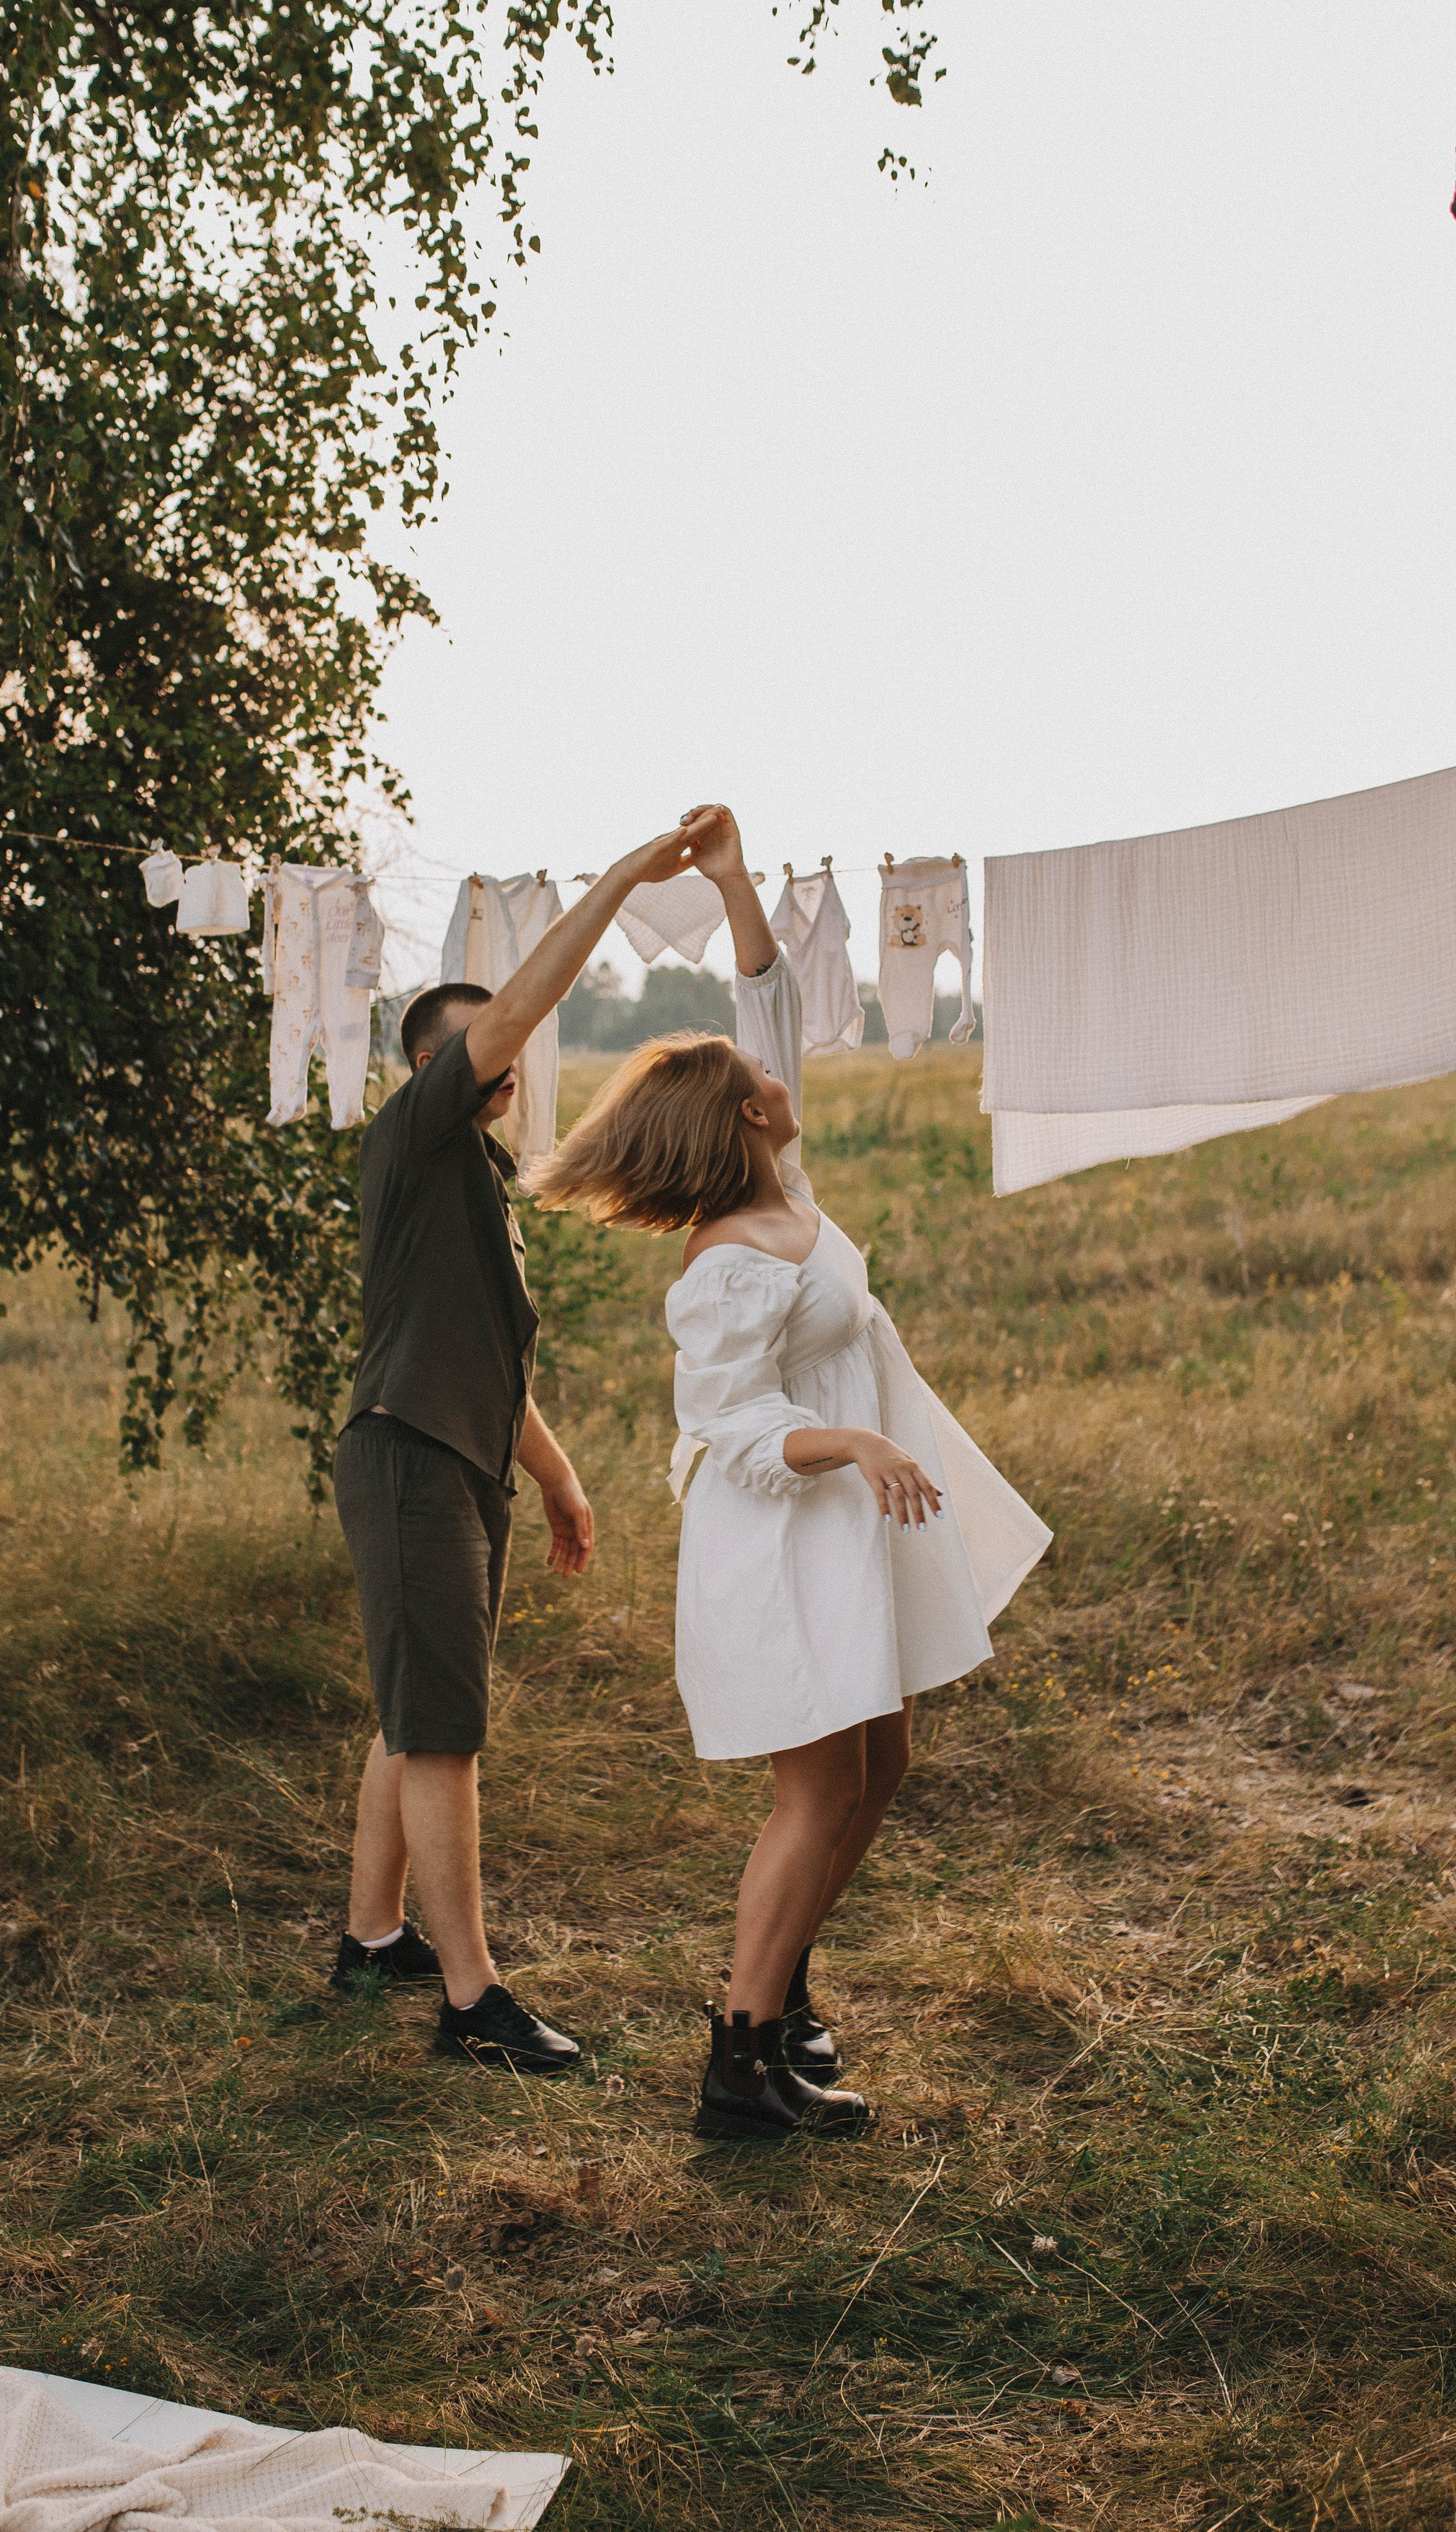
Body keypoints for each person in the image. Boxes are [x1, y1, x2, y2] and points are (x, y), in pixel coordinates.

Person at [535, 807, 1051, 2140]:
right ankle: (740, 2064)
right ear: (743, 1118)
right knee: (820, 1785)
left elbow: (765, 1007)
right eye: (748, 1073)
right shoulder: (728, 1266)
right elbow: (736, 1424)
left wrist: (730, 879)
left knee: (882, 1759)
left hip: (838, 1528)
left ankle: (784, 1988)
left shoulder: (785, 1180)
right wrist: (863, 1442)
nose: (769, 1070)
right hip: (778, 1537)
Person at [329, 814, 727, 2075]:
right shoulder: (412, 1136)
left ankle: (371, 1940)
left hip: (454, 1456)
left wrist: (553, 1476)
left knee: (413, 1706)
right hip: (406, 1458)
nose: (503, 1065)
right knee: (442, 1727)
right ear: (435, 1067)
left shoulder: (475, 1188)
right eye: (480, 1049)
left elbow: (488, 1360)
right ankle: (470, 2003)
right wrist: (620, 881)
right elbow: (518, 1009)